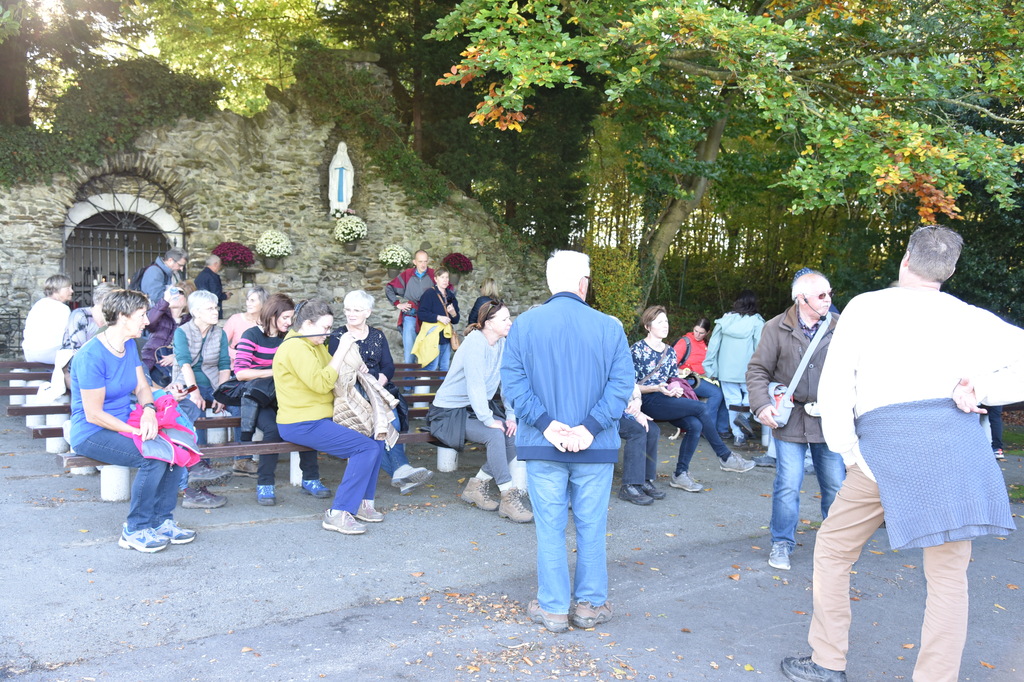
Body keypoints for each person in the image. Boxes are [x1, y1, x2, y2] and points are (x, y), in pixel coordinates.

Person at [781, 226, 1024, 682]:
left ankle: (827, 661)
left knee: (833, 550)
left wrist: (847, 451)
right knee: (950, 576)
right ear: (949, 272)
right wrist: (982, 389)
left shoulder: (866, 307)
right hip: (954, 450)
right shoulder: (968, 316)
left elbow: (836, 387)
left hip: (882, 453)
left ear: (905, 261)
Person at [501, 250, 634, 632]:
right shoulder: (610, 327)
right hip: (596, 445)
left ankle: (555, 609)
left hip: (543, 444)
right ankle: (589, 606)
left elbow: (513, 384)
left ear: (549, 282)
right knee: (591, 525)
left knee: (550, 526)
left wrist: (545, 424)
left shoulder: (524, 325)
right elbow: (621, 384)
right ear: (583, 283)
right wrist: (590, 427)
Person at [69, 288, 196, 553]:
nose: (147, 321)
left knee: (175, 448)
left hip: (126, 421)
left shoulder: (128, 345)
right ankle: (135, 529)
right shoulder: (91, 355)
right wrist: (136, 430)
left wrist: (149, 409)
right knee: (152, 456)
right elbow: (94, 414)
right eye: (141, 314)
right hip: (92, 431)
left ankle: (161, 522)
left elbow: (141, 387)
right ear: (122, 316)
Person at [746, 271, 846, 572]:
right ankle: (781, 543)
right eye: (821, 295)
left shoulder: (841, 328)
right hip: (789, 420)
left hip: (829, 421)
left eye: (829, 293)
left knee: (836, 485)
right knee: (788, 485)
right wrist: (762, 404)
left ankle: (836, 547)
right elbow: (757, 371)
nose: (828, 300)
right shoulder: (775, 328)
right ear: (800, 298)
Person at [274, 299, 386, 536]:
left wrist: (356, 366)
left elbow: (334, 372)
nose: (327, 334)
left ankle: (364, 504)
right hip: (300, 423)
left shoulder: (313, 345)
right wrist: (343, 348)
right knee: (365, 449)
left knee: (376, 438)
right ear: (307, 323)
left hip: (320, 419)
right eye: (324, 328)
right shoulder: (294, 348)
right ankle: (338, 513)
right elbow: (322, 382)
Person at [429, 299, 531, 522]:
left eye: (509, 317)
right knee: (495, 433)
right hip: (449, 413)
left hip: (475, 409)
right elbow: (474, 385)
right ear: (487, 323)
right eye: (504, 319)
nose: (510, 322)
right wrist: (488, 420)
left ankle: (476, 485)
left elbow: (508, 384)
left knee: (513, 435)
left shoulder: (502, 344)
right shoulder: (475, 342)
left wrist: (511, 417)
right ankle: (507, 497)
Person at [633, 305, 754, 493]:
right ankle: (724, 456)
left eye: (666, 321)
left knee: (695, 425)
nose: (665, 326)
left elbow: (672, 379)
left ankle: (680, 474)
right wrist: (656, 388)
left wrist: (674, 389)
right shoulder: (637, 350)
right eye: (660, 322)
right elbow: (628, 386)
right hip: (645, 400)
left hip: (665, 399)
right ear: (648, 326)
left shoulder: (669, 351)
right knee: (700, 408)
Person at [328, 289, 433, 495]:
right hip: (352, 394)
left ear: (368, 312)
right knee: (381, 422)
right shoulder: (338, 335)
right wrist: (359, 374)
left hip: (378, 390)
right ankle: (402, 470)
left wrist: (378, 381)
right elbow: (334, 365)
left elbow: (388, 366)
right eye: (348, 309)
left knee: (386, 421)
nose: (351, 313)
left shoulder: (377, 335)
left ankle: (401, 474)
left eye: (356, 310)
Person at [231, 293, 328, 502]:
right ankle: (265, 483)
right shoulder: (251, 335)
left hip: (286, 395)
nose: (289, 322)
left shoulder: (291, 337)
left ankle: (310, 478)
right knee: (272, 430)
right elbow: (240, 373)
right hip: (258, 398)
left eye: (291, 317)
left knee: (306, 421)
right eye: (284, 317)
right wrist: (276, 370)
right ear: (271, 315)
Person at [171, 290, 236, 509]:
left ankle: (243, 460)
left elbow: (225, 365)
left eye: (215, 307)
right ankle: (193, 488)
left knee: (241, 408)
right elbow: (184, 363)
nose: (215, 311)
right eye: (210, 308)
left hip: (212, 385)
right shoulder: (182, 332)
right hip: (186, 384)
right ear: (196, 312)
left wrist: (222, 394)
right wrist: (193, 391)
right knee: (192, 419)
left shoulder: (219, 333)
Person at [703, 290, 765, 448]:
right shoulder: (757, 322)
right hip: (749, 371)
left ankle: (738, 436)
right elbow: (760, 348)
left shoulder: (725, 320)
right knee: (750, 399)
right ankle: (743, 418)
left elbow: (713, 346)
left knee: (732, 402)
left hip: (726, 371)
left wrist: (710, 367)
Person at [674, 317, 730, 442]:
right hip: (687, 378)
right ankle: (708, 429)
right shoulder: (685, 342)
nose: (697, 335)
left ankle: (722, 429)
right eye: (696, 331)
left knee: (726, 391)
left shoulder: (706, 344)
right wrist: (684, 371)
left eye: (701, 333)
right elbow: (671, 365)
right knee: (716, 393)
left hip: (702, 378)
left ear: (708, 333)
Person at [616, 384, 665, 505]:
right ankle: (629, 485)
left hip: (627, 410)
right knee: (637, 431)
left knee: (652, 429)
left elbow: (633, 386)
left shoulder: (625, 365)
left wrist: (637, 402)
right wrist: (634, 413)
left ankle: (644, 479)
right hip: (609, 410)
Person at [384, 250, 436, 363]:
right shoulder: (407, 274)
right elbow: (389, 288)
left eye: (425, 261)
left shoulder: (433, 274)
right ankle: (409, 376)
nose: (423, 264)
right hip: (411, 314)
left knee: (428, 349)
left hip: (429, 315)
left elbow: (448, 288)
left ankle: (424, 377)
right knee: (409, 347)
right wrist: (398, 304)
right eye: (420, 261)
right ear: (414, 262)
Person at [141, 281, 194, 387]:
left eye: (180, 293)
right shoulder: (161, 313)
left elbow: (195, 345)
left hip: (175, 369)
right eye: (174, 292)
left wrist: (176, 356)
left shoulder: (191, 321)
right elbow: (149, 322)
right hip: (150, 360)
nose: (175, 296)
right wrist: (165, 301)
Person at [22, 273, 74, 363]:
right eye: (68, 288)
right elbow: (69, 334)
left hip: (29, 353)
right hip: (48, 354)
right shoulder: (62, 308)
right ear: (56, 290)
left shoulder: (39, 304)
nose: (72, 291)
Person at [62, 282, 116, 352]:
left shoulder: (113, 317)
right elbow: (78, 349)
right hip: (76, 358)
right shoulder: (80, 315)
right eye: (116, 300)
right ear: (104, 299)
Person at [223, 286, 268, 362]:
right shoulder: (235, 319)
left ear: (263, 303)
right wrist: (238, 354)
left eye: (252, 300)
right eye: (248, 300)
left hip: (259, 367)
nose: (248, 304)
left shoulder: (267, 323)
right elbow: (221, 344)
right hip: (235, 366)